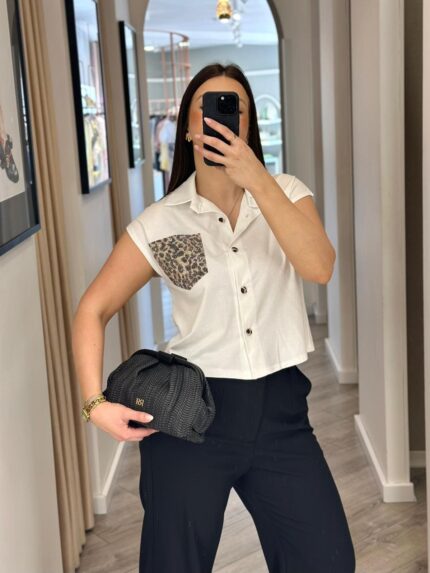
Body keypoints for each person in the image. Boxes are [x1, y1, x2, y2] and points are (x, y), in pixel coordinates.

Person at [72, 62, 356, 573]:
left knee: (326, 560)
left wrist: (256, 179)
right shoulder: (161, 221)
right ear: (188, 128)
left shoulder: (286, 192)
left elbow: (320, 267)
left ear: (248, 124)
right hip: (191, 416)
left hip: (281, 413)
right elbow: (93, 308)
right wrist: (95, 404)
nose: (220, 121)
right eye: (207, 110)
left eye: (234, 109)